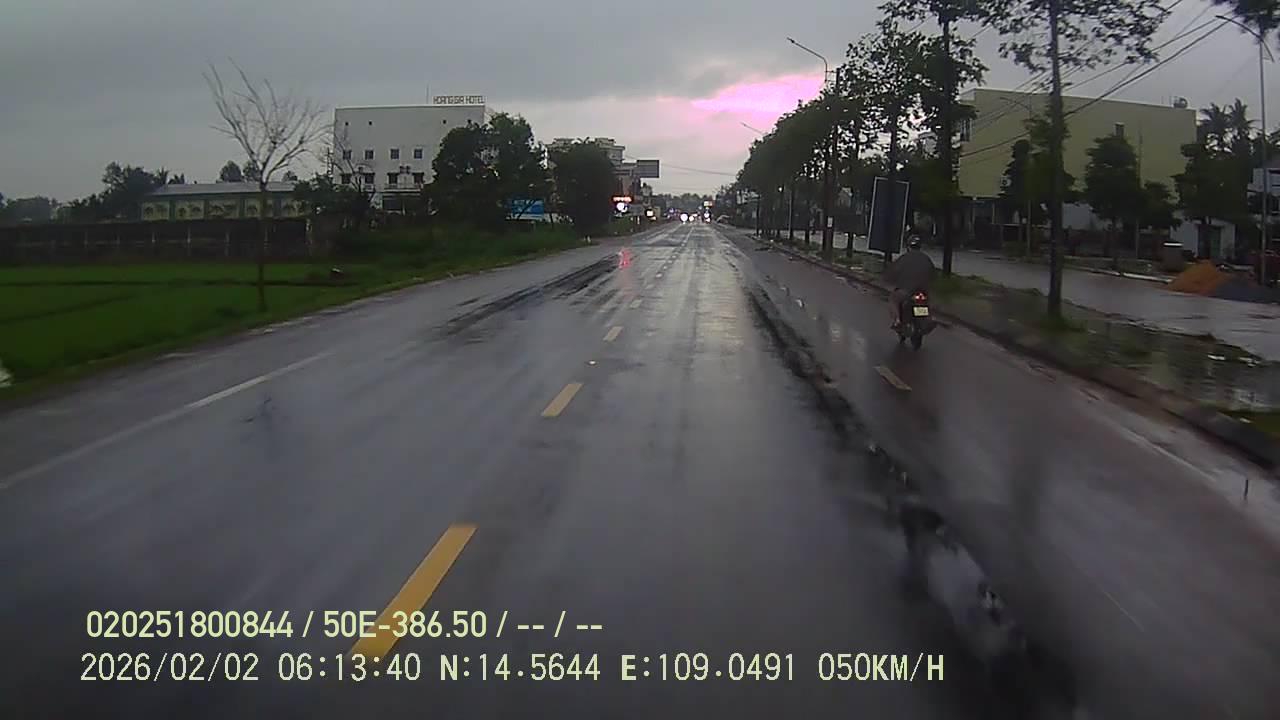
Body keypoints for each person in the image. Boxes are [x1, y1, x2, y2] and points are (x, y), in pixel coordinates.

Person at [884, 230, 936, 328]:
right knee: (928, 302)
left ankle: (897, 320)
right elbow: (933, 274)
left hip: (907, 291)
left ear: (908, 247)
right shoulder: (926, 258)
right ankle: (929, 318)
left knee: (893, 299)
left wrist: (889, 279)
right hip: (923, 290)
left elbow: (893, 272)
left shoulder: (904, 258)